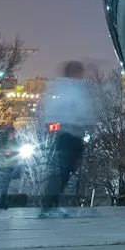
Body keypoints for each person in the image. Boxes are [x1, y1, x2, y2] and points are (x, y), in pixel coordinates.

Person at [38, 61, 96, 217]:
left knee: (66, 171)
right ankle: (49, 207)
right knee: (62, 171)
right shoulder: (67, 89)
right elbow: (58, 113)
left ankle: (51, 206)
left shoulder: (69, 88)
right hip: (68, 135)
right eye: (79, 71)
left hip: (72, 135)